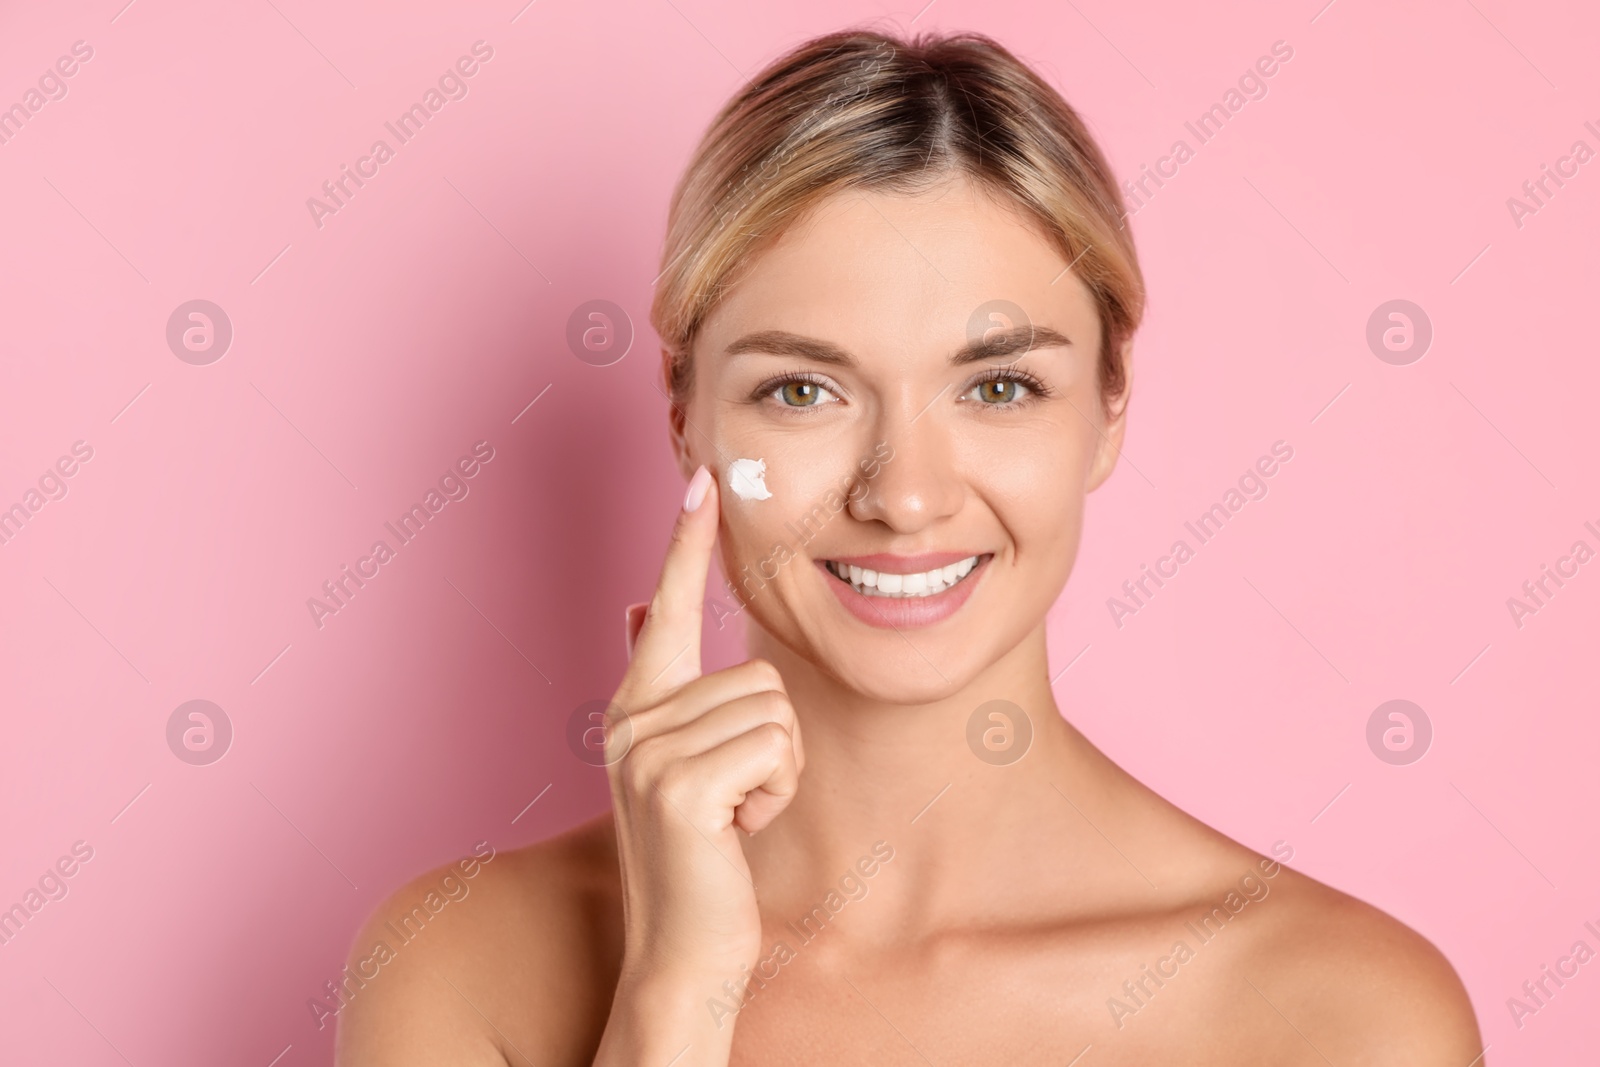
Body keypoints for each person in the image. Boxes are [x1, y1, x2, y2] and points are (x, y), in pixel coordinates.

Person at [337, 27, 1484, 1065]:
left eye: (997, 385)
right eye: (802, 388)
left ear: (1108, 407)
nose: (905, 495)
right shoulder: (458, 968)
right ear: (683, 412)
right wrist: (678, 995)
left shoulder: (1343, 1015)